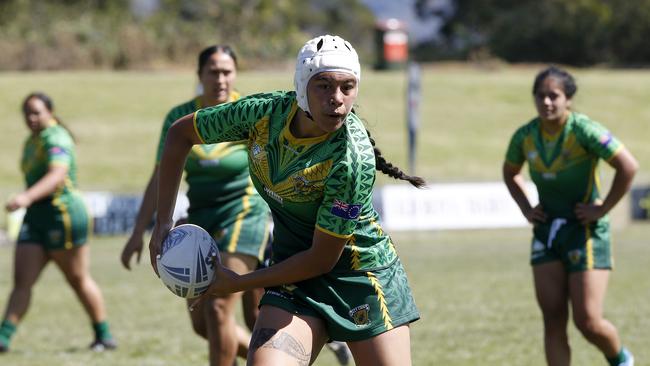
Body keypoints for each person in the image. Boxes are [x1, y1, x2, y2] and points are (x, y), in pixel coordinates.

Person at [149, 34, 424, 366]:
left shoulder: (352, 160)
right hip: (294, 278)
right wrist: (162, 224)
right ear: (301, 85)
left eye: (347, 87)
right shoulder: (263, 114)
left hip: (361, 277)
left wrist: (239, 282)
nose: (336, 98)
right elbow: (180, 134)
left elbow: (322, 259)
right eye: (323, 85)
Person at [120, 45, 274, 365]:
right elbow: (161, 174)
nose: (221, 79)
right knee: (202, 322)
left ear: (235, 74)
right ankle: (280, 357)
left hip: (244, 212)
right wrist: (139, 231)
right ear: (199, 75)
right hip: (199, 221)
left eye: (227, 71)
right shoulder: (180, 118)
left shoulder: (249, 111)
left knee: (218, 305)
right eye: (213, 72)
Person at [503, 66, 638, 366]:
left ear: (568, 100)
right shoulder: (525, 136)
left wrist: (602, 209)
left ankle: (620, 359)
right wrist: (526, 208)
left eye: (554, 96)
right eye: (541, 96)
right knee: (552, 321)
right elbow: (510, 172)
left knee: (588, 321)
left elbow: (628, 166)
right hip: (547, 231)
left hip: (585, 231)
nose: (547, 102)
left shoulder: (584, 131)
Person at [0, 92, 116, 353]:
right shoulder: (32, 141)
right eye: (27, 113)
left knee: (76, 278)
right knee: (22, 280)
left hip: (62, 215)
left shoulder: (56, 137)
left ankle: (104, 334)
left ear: (50, 112)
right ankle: (3, 338)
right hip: (36, 217)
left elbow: (57, 174)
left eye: (36, 112)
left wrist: (25, 197)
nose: (31, 117)